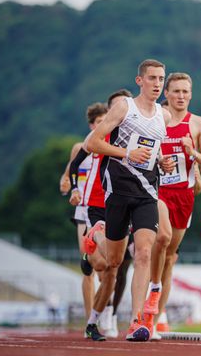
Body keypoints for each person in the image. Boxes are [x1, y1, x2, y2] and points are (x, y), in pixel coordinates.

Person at [85, 59, 175, 342]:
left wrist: (162, 161)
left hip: (147, 192)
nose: (157, 84)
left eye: (161, 79)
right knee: (114, 260)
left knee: (144, 253)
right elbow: (92, 143)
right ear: (140, 81)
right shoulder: (125, 106)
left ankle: (137, 321)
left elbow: (152, 150)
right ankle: (97, 233)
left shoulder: (165, 115)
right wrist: (125, 154)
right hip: (119, 190)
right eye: (152, 78)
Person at [143, 72, 201, 340]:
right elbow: (140, 150)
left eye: (185, 91)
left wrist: (191, 151)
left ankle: (155, 320)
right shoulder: (154, 117)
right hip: (155, 190)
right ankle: (153, 287)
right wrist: (159, 160)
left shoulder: (199, 124)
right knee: (163, 236)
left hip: (184, 196)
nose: (181, 96)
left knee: (170, 258)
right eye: (176, 91)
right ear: (166, 94)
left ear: (191, 94)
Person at [69, 90, 133, 341]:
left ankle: (93, 323)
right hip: (95, 205)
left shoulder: (137, 135)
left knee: (113, 270)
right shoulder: (98, 137)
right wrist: (74, 188)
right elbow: (75, 165)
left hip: (122, 204)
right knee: (101, 264)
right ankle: (90, 247)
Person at [58, 102, 107, 325]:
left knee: (103, 265)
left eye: (105, 121)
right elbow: (68, 175)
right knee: (87, 263)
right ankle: (90, 317)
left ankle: (102, 313)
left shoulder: (108, 146)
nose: (102, 125)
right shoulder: (81, 148)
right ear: (91, 125)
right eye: (98, 122)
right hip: (83, 208)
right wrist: (67, 186)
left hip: (103, 207)